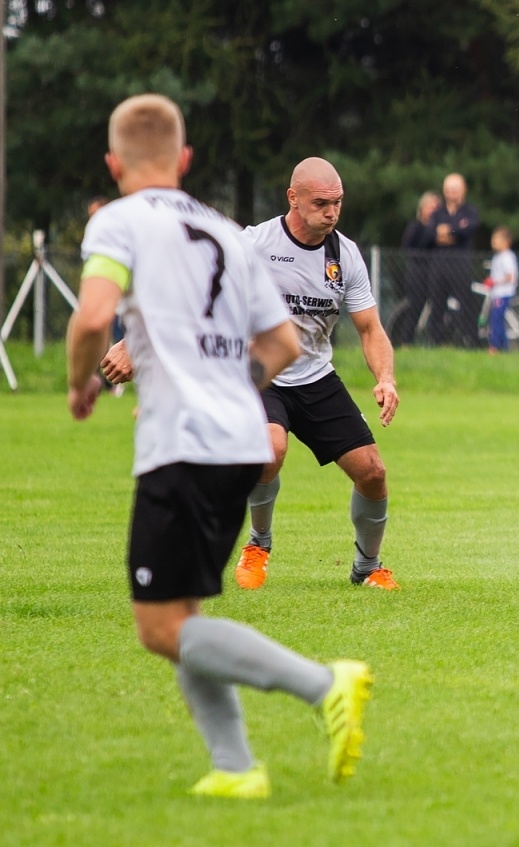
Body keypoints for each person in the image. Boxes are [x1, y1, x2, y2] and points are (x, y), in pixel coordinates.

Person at [68, 93, 371, 800]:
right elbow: (281, 343)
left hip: (185, 444)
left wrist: (82, 382)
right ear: (185, 159)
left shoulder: (118, 221)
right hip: (236, 442)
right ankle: (235, 766)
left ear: (113, 163)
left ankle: (324, 684)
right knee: (183, 614)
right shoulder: (227, 231)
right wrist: (229, 387)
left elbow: (91, 317)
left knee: (158, 628)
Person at [105, 158, 402, 590]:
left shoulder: (345, 255)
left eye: (337, 203)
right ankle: (258, 544)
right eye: (321, 203)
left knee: (373, 471)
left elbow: (370, 329)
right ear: (293, 198)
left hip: (316, 377)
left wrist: (386, 378)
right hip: (260, 371)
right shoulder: (255, 244)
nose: (332, 213)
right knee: (269, 448)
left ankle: (367, 566)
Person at [429, 173, 481, 344]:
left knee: (466, 302)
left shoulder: (470, 211)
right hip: (439, 265)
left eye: (455, 189)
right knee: (437, 303)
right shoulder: (437, 213)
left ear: (464, 190)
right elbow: (431, 233)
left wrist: (448, 231)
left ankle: (471, 341)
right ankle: (437, 342)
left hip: (461, 264)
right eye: (449, 189)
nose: (452, 193)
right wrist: (454, 231)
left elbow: (468, 230)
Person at [393, 191, 440, 346]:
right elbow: (407, 247)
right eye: (430, 207)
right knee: (415, 306)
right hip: (417, 270)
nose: (433, 211)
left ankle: (436, 340)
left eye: (435, 208)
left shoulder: (438, 228)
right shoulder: (415, 226)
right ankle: (406, 341)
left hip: (434, 270)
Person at [485, 226, 519, 353]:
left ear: (506, 242)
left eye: (496, 239)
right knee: (497, 319)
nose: (493, 242)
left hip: (504, 293)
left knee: (496, 319)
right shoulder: (498, 257)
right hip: (497, 293)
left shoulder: (507, 257)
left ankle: (495, 346)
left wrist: (495, 282)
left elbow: (510, 276)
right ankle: (504, 347)